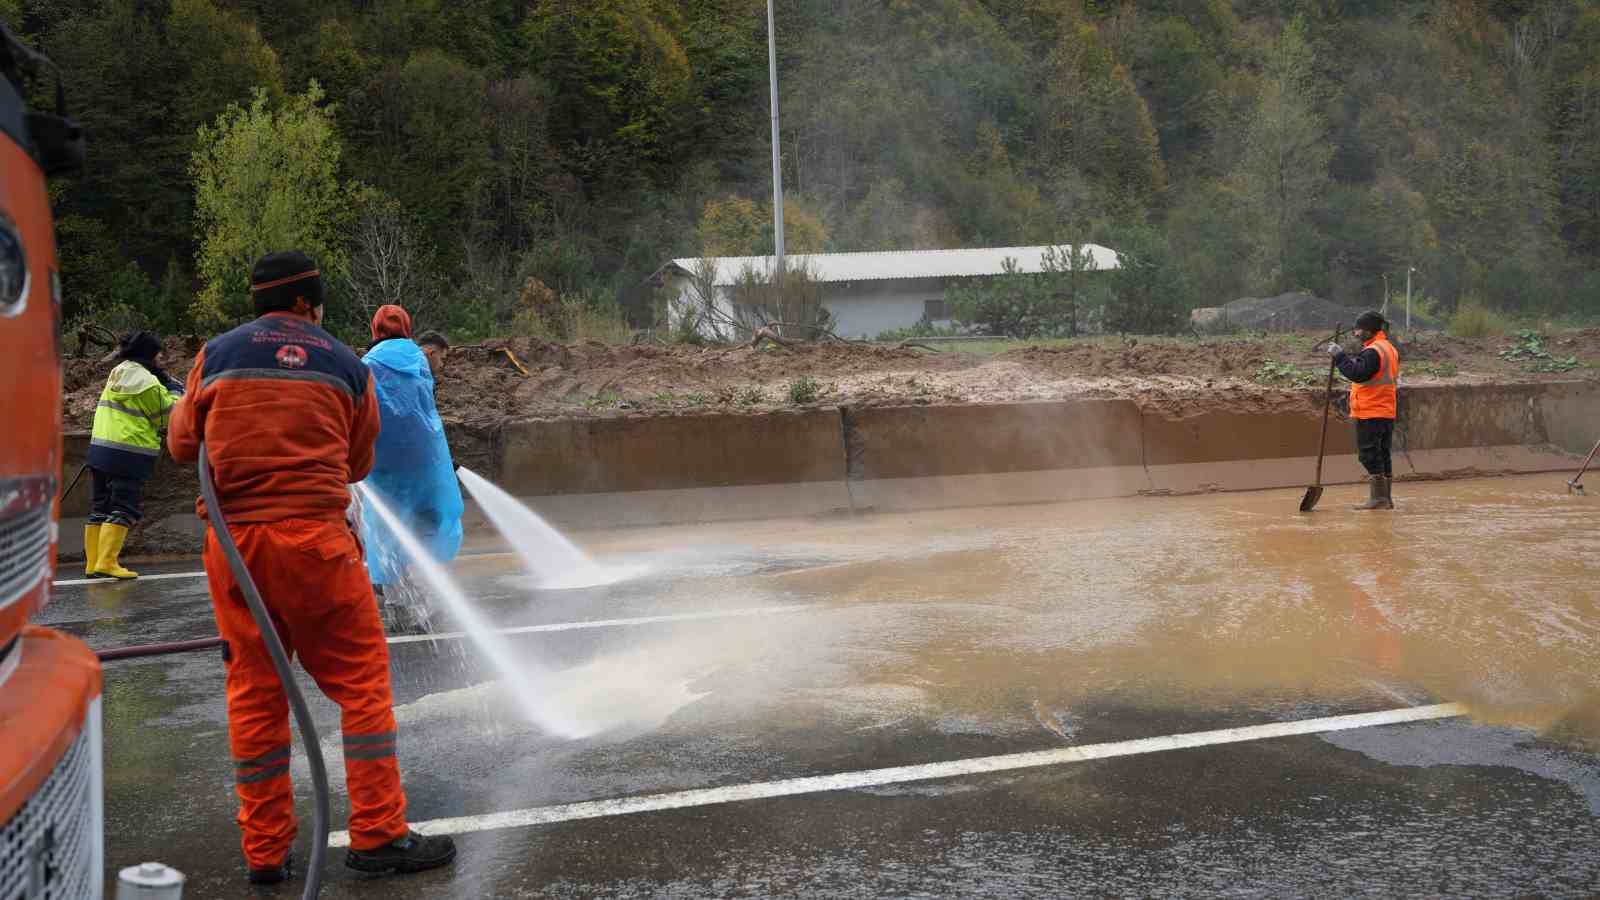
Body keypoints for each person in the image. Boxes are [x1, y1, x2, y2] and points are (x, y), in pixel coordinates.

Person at [167, 252, 455, 884]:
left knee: (255, 692)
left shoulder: (214, 356)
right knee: (361, 685)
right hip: (315, 545)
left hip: (235, 548)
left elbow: (183, 443)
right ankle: (378, 834)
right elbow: (356, 463)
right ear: (306, 302)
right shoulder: (344, 362)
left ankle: (265, 853)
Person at [361, 307, 464, 610]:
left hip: (384, 468)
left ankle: (395, 595)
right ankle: (430, 591)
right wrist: (442, 458)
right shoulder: (419, 360)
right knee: (430, 520)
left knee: (385, 527)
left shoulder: (365, 365)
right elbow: (426, 418)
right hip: (424, 463)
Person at [84, 331, 181, 579]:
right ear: (148, 354)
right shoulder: (146, 382)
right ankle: (107, 562)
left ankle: (93, 564)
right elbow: (167, 415)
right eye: (158, 355)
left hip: (100, 449)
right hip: (128, 451)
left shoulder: (118, 372)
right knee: (123, 507)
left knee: (101, 506)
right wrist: (175, 391)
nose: (160, 359)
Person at [1327, 310, 1401, 510]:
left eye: (1359, 329)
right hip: (1386, 409)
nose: (1356, 333)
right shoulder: (1388, 348)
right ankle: (1386, 499)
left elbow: (1357, 374)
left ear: (1368, 330)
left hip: (1371, 410)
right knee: (1383, 454)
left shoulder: (1373, 351)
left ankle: (1378, 498)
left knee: (1368, 455)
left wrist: (1339, 356)